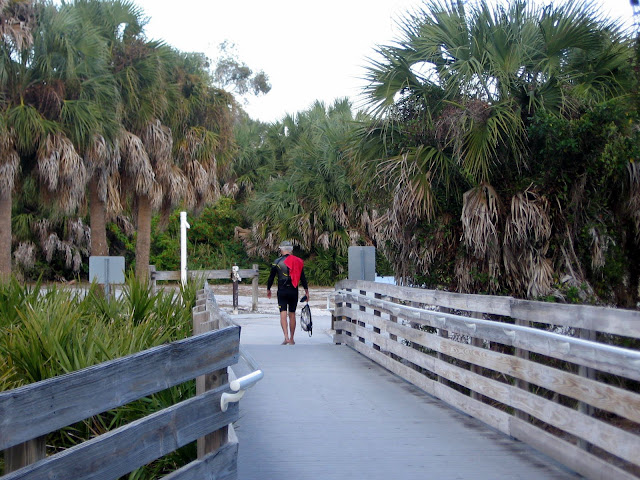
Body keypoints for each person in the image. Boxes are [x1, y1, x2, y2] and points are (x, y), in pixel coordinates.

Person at [267, 240, 309, 345]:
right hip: (293, 290)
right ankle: (292, 339)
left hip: (282, 290)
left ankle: (286, 337)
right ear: (291, 250)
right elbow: (303, 278)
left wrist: (268, 289)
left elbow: (271, 277)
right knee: (292, 314)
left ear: (281, 250)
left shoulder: (277, 262)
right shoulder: (298, 261)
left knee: (283, 313)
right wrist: (306, 291)